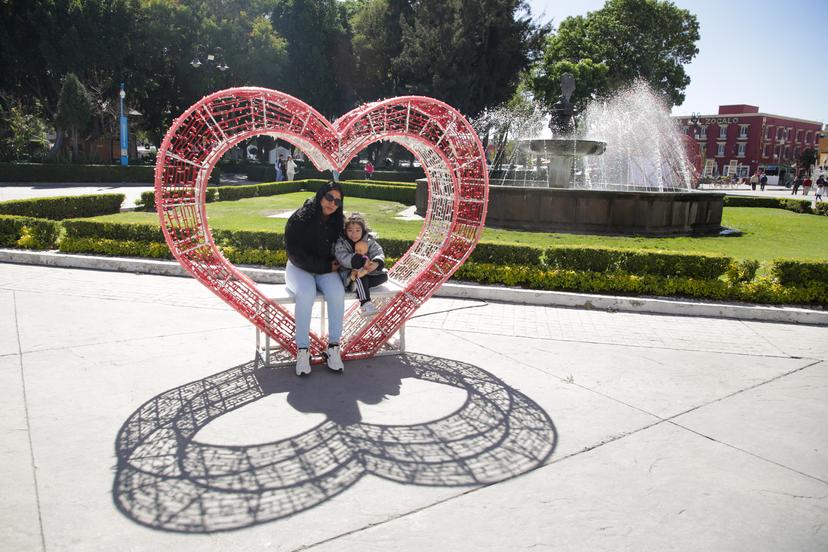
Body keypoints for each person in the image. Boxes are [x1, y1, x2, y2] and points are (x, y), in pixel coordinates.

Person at [284, 182, 346, 376]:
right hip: (298, 268)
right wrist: (326, 267)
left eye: (337, 201)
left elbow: (347, 245)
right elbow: (295, 255)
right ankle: (302, 350)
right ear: (320, 196)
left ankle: (333, 347)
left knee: (337, 292)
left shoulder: (338, 221)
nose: (332, 204)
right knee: (306, 293)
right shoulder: (299, 218)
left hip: (325, 270)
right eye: (329, 198)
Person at [334, 212, 387, 317]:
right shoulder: (342, 242)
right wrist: (360, 261)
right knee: (359, 277)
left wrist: (376, 263)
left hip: (367, 272)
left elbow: (378, 252)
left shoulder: (369, 241)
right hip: (350, 273)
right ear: (345, 231)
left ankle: (358, 286)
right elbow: (342, 257)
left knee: (383, 276)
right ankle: (365, 304)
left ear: (363, 230)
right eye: (350, 230)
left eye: (358, 230)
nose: (354, 234)